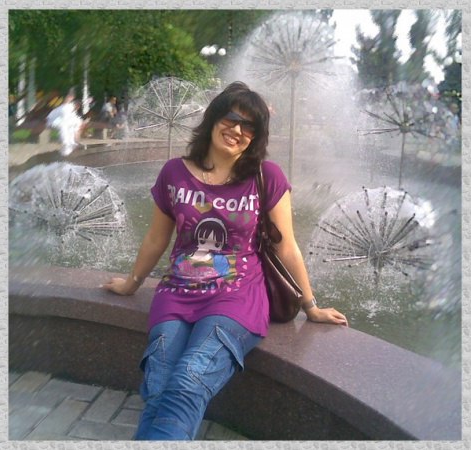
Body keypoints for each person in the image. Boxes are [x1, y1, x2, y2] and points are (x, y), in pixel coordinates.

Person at [102, 81, 348, 441]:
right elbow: (156, 238)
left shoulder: (266, 176)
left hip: (236, 298)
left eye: (250, 126)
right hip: (176, 294)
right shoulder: (174, 173)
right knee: (158, 386)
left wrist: (310, 306)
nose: (238, 130)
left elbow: (288, 247)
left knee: (188, 381)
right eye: (232, 118)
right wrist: (131, 284)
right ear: (214, 118)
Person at [46, 90, 84, 156]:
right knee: (64, 125)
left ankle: (72, 144)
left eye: (71, 97)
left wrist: (78, 124)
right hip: (52, 121)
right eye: (68, 96)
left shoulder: (70, 107)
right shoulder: (63, 106)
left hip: (62, 121)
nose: (69, 98)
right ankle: (66, 144)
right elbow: (52, 117)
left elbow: (73, 119)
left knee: (74, 124)